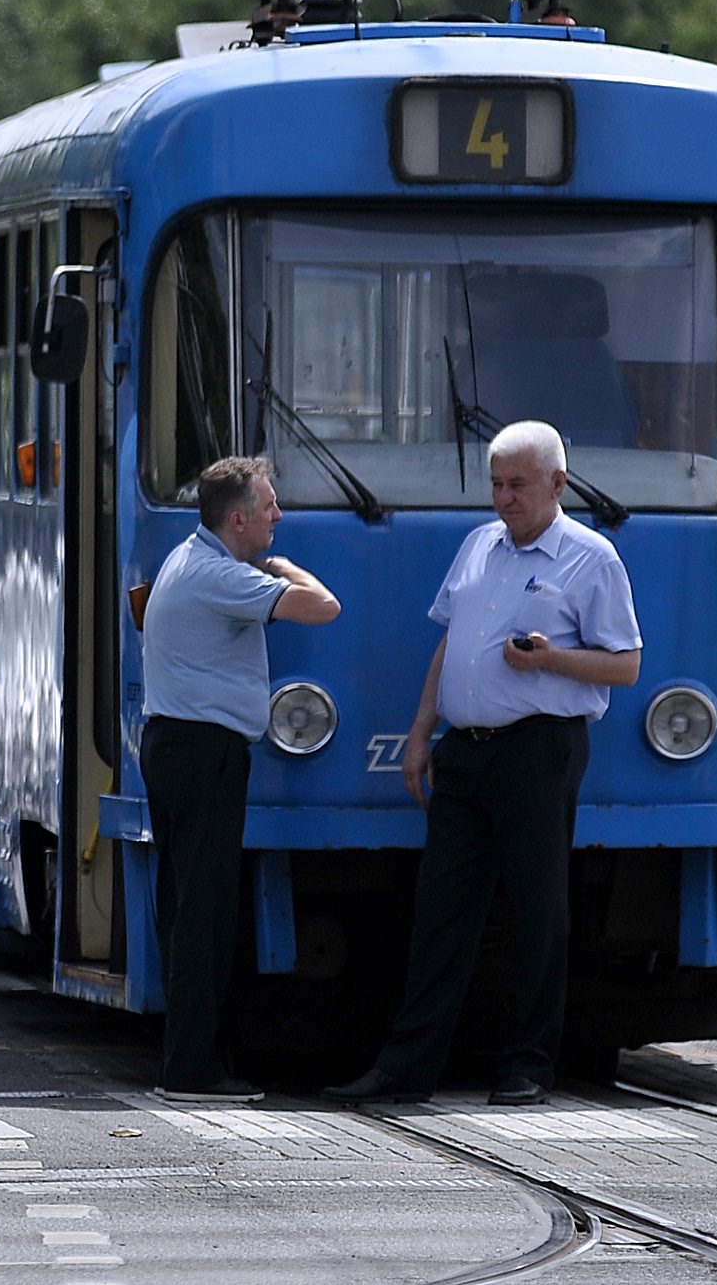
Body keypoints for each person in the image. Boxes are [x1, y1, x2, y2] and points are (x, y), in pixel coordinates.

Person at [328, 422, 640, 1109]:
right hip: (464, 748)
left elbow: (625, 664)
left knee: (536, 909)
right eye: (496, 484)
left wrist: (550, 658)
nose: (504, 498)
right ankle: (406, 1068)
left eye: (517, 485)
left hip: (539, 748)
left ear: (558, 483)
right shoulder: (478, 545)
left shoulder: (592, 558)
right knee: (440, 910)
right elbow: (452, 642)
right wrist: (421, 731)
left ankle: (528, 1065)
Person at [138, 456, 341, 1103]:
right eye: (269, 506)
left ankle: (196, 1056)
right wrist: (284, 568)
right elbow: (324, 607)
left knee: (190, 905)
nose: (278, 515)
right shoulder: (220, 575)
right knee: (204, 910)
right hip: (202, 752)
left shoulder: (189, 560)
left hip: (181, 747)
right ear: (237, 519)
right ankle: (191, 1070)